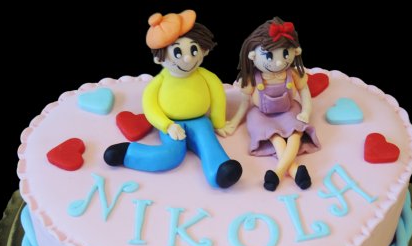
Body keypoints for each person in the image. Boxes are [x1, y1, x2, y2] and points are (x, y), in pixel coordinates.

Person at [104, 10, 242, 189]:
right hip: (171, 123)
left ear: (204, 50)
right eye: (177, 52)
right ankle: (128, 153)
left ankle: (220, 173)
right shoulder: (159, 81)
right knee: (172, 153)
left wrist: (218, 122)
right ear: (158, 58)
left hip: (200, 120)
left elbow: (218, 96)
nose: (188, 57)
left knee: (208, 143)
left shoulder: (206, 76)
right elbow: (150, 106)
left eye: (194, 50)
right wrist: (166, 125)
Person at [224, 17, 321, 191]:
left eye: (285, 54)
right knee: (275, 137)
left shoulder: (293, 74)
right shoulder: (252, 79)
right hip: (261, 115)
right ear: (253, 56)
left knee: (295, 135)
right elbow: (244, 103)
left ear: (295, 51)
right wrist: (235, 121)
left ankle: (277, 173)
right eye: (269, 56)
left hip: (289, 110)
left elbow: (305, 93)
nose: (279, 62)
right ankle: (295, 171)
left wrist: (306, 111)